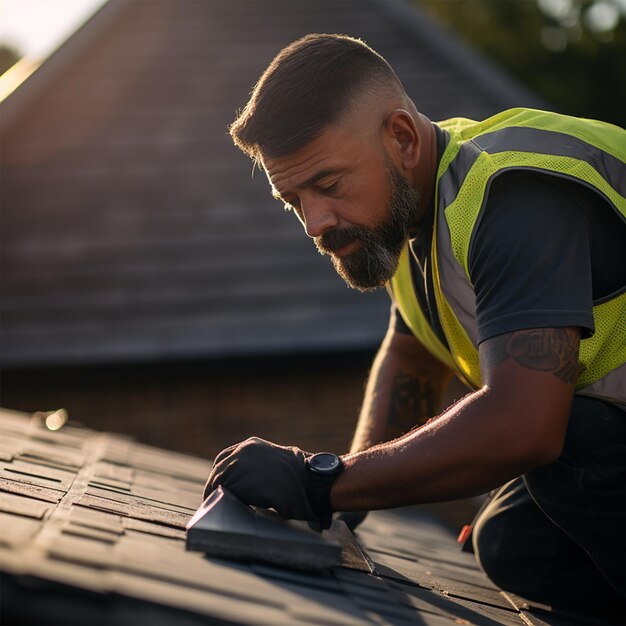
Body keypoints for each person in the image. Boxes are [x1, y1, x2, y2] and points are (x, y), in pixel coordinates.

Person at [205, 34, 625, 619]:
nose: (315, 223)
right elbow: (413, 357)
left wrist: (321, 481)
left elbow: (525, 425)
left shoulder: (511, 195)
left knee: (568, 446)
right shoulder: (416, 206)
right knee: (509, 544)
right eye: (293, 200)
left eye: (327, 185)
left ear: (401, 137)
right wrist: (344, 507)